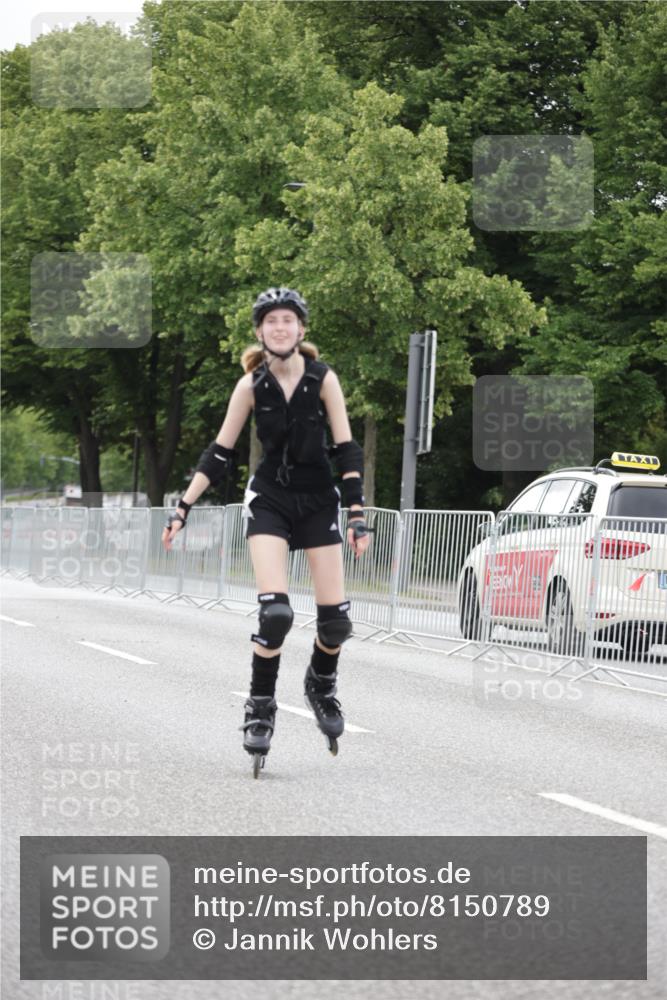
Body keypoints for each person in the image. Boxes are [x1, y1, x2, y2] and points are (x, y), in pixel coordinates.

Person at [161, 287, 373, 775]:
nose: (280, 327)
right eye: (271, 321)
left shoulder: (324, 379)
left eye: (288, 320)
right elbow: (219, 453)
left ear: (301, 329)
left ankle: (320, 684)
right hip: (271, 500)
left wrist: (357, 514)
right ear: (260, 331)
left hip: (320, 499)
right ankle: (260, 707)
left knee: (336, 622)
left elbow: (346, 450)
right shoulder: (250, 386)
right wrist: (182, 508)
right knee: (275, 613)